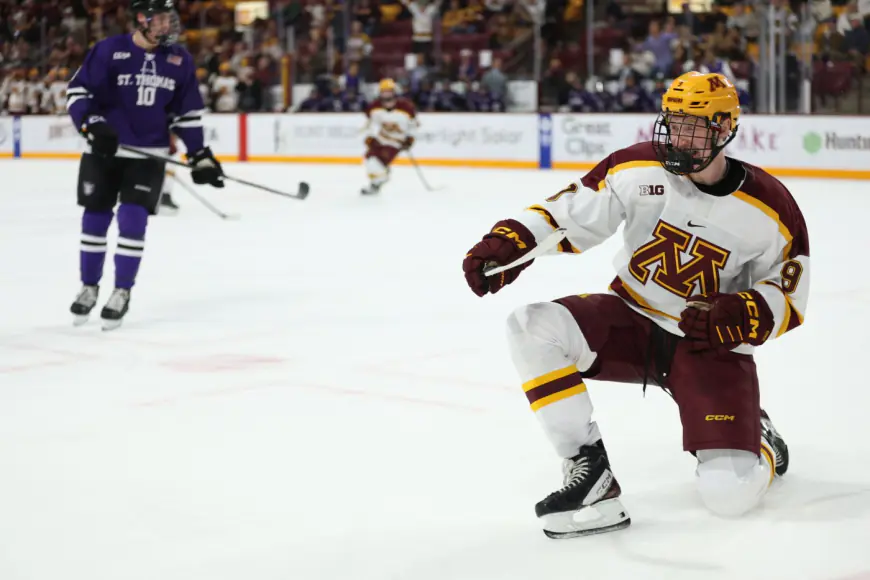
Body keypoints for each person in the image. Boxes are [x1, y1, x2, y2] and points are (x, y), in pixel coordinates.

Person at [462, 71, 808, 538]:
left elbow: (789, 295)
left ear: (725, 129)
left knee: (728, 498)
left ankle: (762, 442)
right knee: (531, 325)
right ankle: (590, 474)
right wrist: (515, 239)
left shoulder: (772, 208)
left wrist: (744, 313)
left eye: (694, 126)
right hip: (632, 320)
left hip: (708, 346)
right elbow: (568, 213)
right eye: (674, 121)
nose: (678, 136)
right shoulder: (636, 167)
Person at [67, 0, 224, 330]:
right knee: (95, 220)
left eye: (170, 19)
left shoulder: (179, 59)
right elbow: (79, 92)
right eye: (161, 20)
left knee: (132, 218)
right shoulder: (109, 50)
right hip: (104, 153)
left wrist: (200, 155)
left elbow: (188, 114)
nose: (168, 27)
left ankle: (122, 291)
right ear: (140, 20)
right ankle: (89, 287)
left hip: (147, 155)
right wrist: (93, 124)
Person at [360, 78, 417, 195]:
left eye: (389, 92)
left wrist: (410, 139)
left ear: (394, 93)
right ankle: (377, 183)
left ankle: (379, 180)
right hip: (380, 139)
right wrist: (370, 136)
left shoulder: (406, 108)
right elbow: (371, 124)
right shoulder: (375, 107)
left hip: (396, 142)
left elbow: (413, 125)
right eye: (384, 92)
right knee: (370, 160)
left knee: (379, 163)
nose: (386, 96)